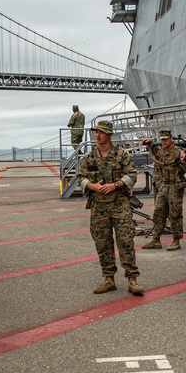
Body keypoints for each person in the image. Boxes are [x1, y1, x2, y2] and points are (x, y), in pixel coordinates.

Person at [79, 120, 143, 295]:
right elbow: (80, 177)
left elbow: (132, 175)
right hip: (99, 207)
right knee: (103, 243)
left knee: (125, 241)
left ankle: (132, 279)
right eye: (96, 132)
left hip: (120, 205)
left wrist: (115, 185)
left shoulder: (121, 156)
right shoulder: (89, 157)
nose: (97, 135)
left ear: (109, 134)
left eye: (101, 132)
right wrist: (93, 186)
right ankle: (108, 278)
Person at [140, 130, 186, 251]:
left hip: (175, 186)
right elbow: (155, 155)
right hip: (163, 186)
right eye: (162, 139)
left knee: (175, 214)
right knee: (159, 212)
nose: (163, 141)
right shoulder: (161, 151)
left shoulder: (179, 152)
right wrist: (150, 143)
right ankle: (156, 239)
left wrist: (184, 161)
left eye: (166, 139)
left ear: (171, 139)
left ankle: (176, 240)